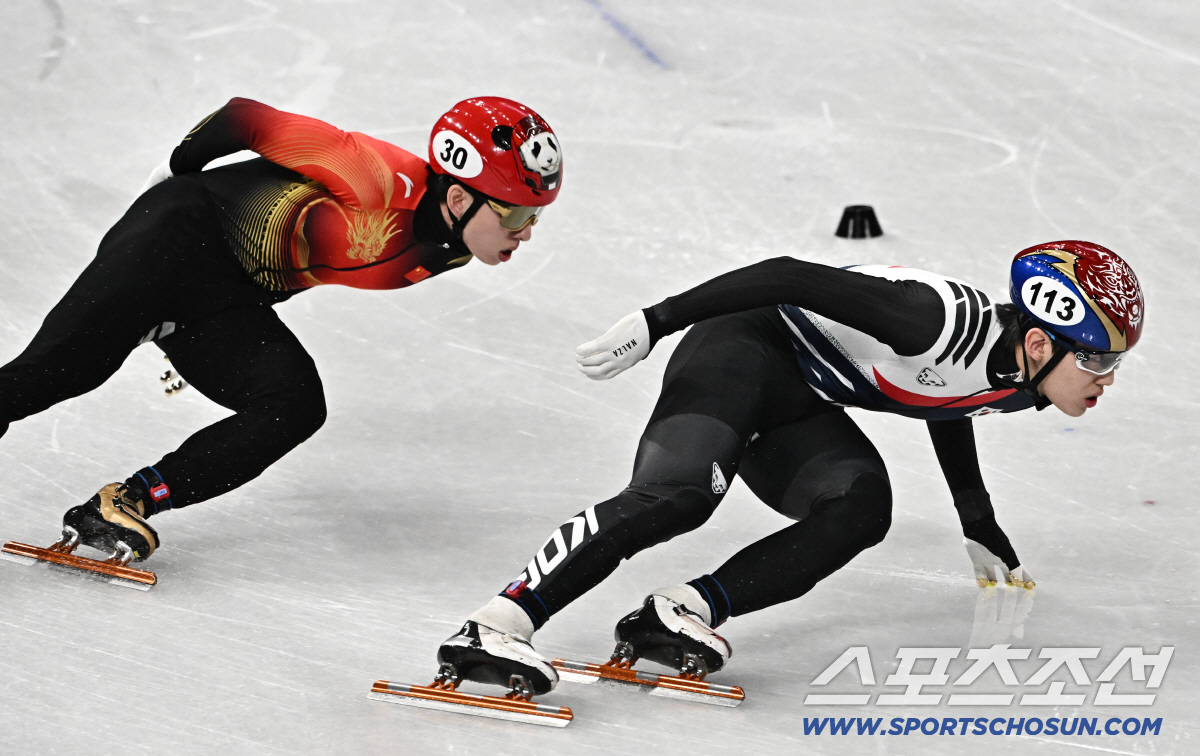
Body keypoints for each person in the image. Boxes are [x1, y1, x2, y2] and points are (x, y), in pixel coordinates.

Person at [437, 241, 1143, 696]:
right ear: (1044, 340)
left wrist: (976, 517)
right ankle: (497, 619)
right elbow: (787, 275)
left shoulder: (1027, 380)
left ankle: (678, 611)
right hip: (739, 349)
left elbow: (950, 402)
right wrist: (657, 321)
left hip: (797, 400)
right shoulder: (933, 320)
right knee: (678, 496)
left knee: (861, 507)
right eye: (1100, 359)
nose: (1107, 378)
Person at [0, 96, 562, 565]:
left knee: (292, 404)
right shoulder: (371, 175)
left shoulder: (454, 248)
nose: (527, 231)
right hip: (170, 242)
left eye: (536, 216)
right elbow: (244, 117)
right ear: (460, 198)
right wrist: (168, 178)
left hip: (224, 297)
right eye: (515, 214)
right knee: (55, 374)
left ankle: (126, 502)